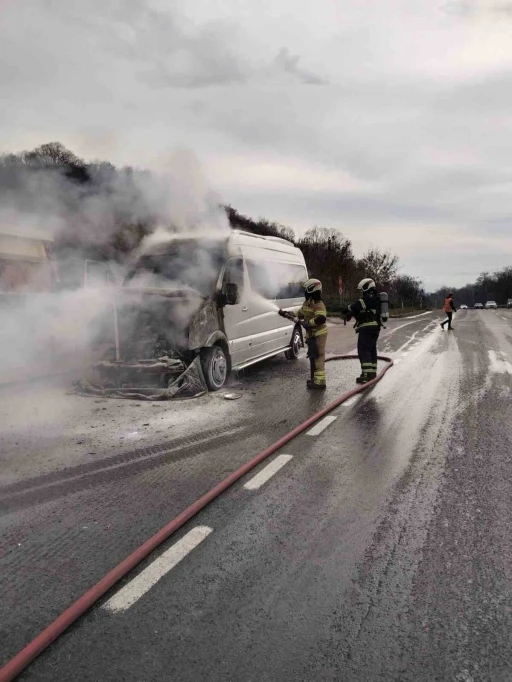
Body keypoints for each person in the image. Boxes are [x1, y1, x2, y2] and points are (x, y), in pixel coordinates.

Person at [342, 278, 381, 384]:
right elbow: (360, 310)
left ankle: (367, 375)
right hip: (375, 328)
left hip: (367, 328)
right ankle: (372, 372)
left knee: (364, 350)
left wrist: (346, 310)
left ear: (366, 287)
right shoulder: (376, 298)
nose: (362, 291)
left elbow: (355, 306)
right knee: (371, 350)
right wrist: (351, 314)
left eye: (363, 289)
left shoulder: (367, 299)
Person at [297, 278, 328, 389]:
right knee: (312, 356)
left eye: (306, 289)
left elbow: (321, 318)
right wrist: (288, 314)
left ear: (311, 290)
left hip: (319, 334)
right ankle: (314, 379)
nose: (305, 292)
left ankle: (320, 382)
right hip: (312, 335)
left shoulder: (318, 304)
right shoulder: (307, 303)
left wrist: (308, 323)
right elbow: (300, 313)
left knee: (318, 357)